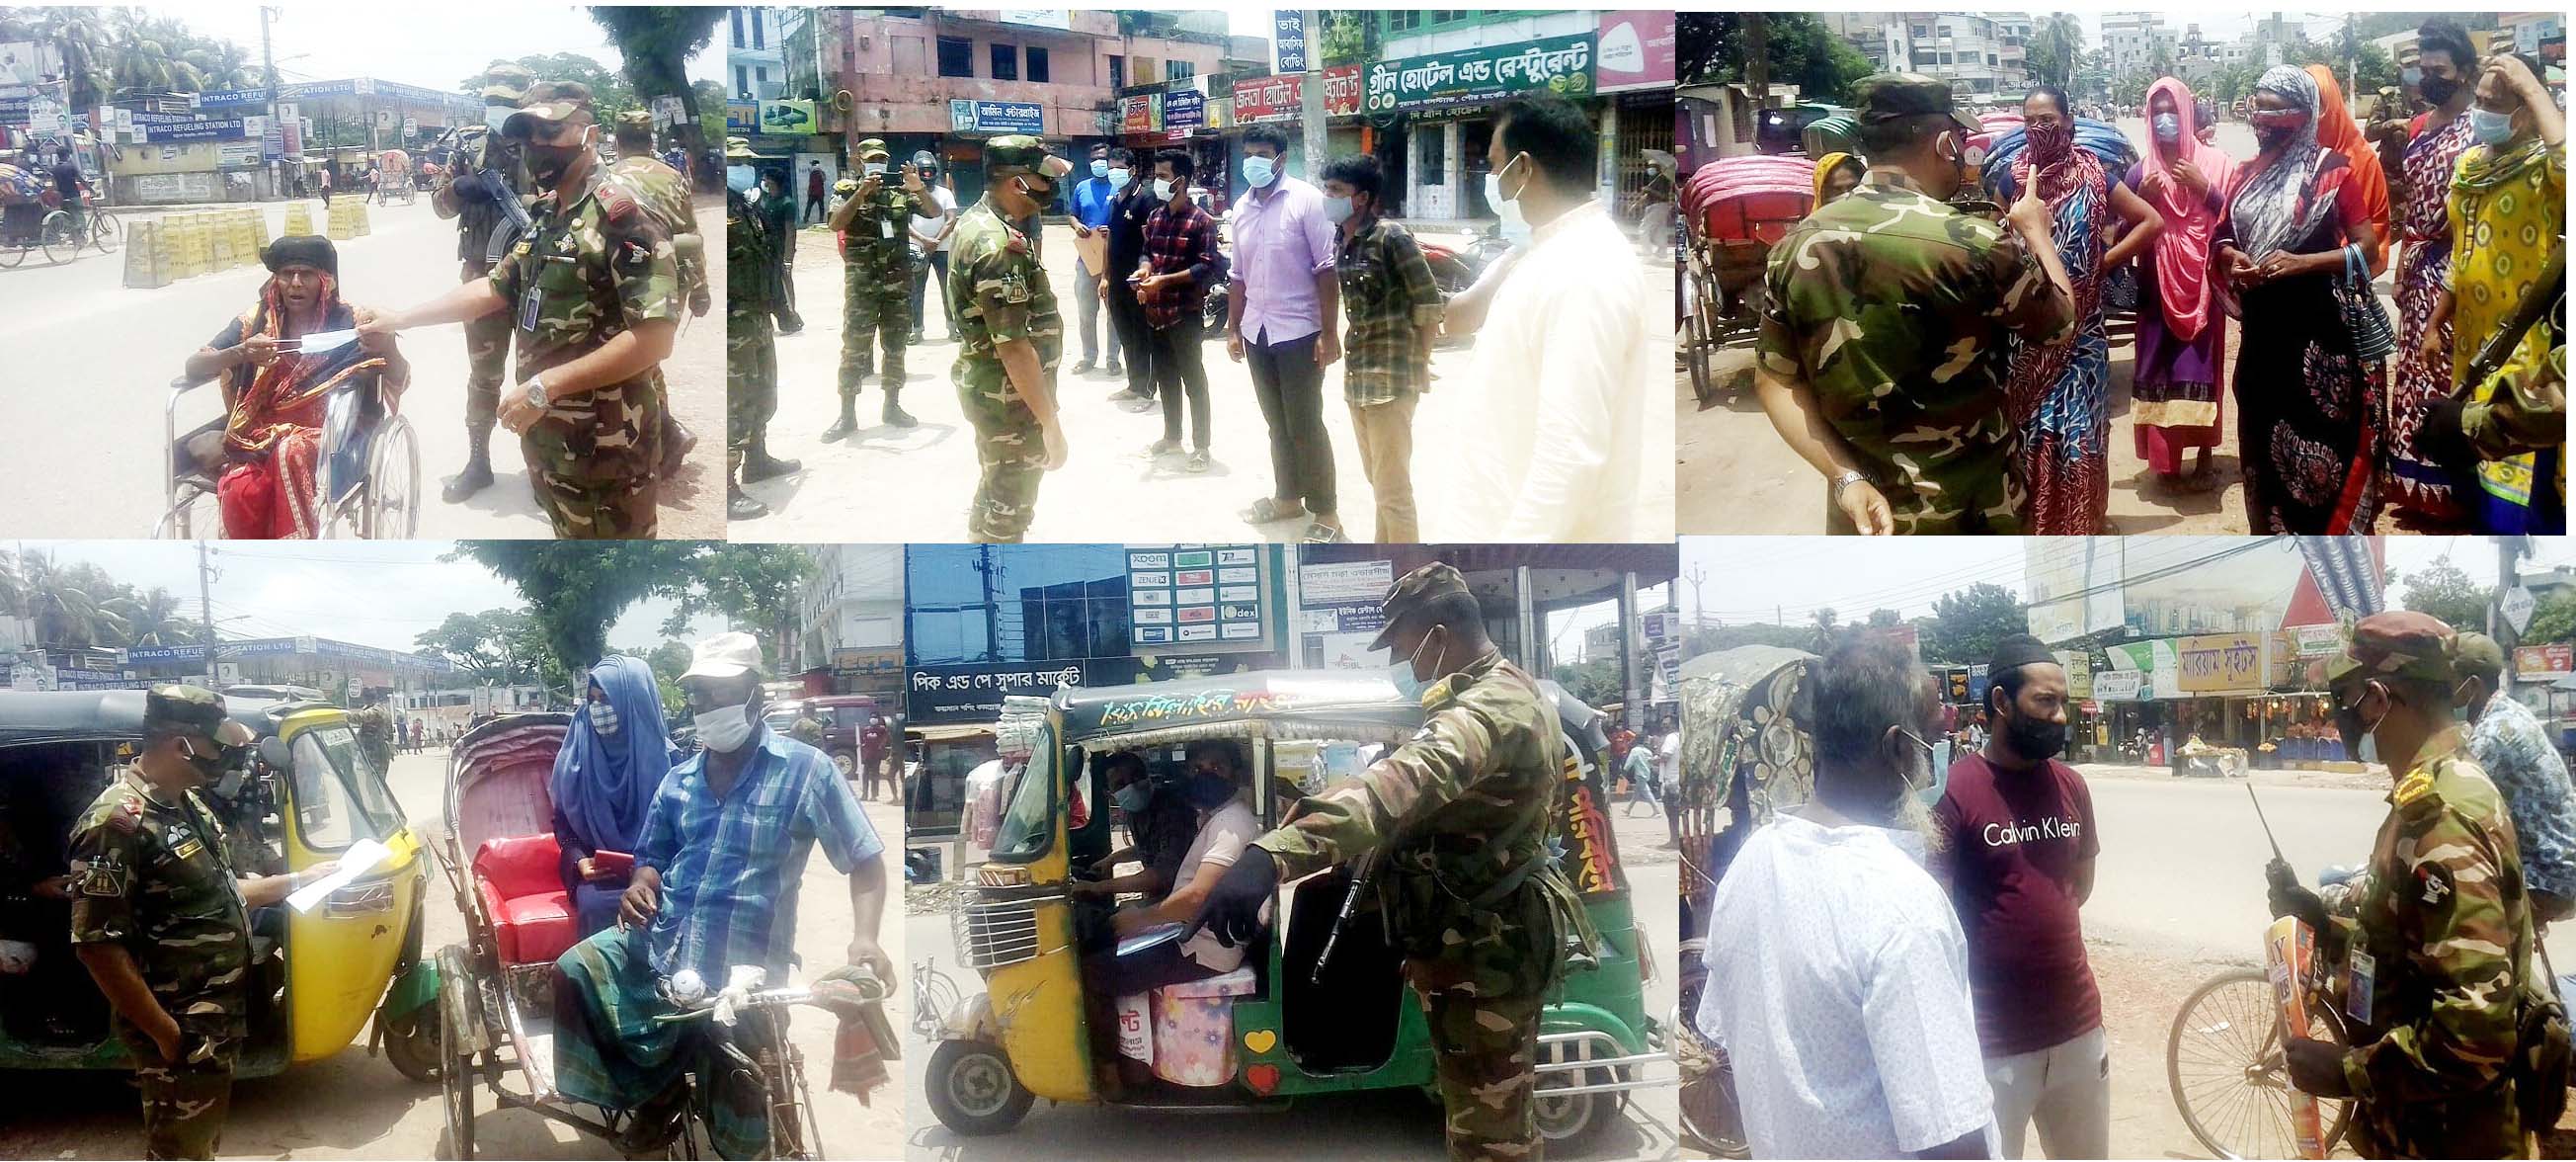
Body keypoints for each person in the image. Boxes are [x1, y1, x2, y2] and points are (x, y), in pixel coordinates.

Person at [1193, 563, 1592, 1161]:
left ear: (1438, 631)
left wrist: (1271, 856)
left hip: (1487, 953)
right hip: (1472, 941)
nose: (1404, 661)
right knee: (1487, 1115)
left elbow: (1400, 785)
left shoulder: (1489, 708)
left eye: (1403, 644)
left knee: (1491, 1135)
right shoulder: (1498, 691)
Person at [557, 631, 890, 1158]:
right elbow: (652, 856)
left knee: (752, 1100)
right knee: (574, 971)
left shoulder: (807, 770)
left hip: (746, 969)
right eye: (698, 695)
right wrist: (641, 884)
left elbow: (865, 860)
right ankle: (653, 1091)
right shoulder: (679, 779)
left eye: (720, 691)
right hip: (663, 945)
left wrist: (865, 940)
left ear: (755, 694)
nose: (706, 706)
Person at [1695, 634, 1998, 1157]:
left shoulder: (1751, 862)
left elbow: (1727, 1036)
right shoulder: (1901, 906)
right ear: (1898, 748)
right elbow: (1952, 1137)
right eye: (1934, 742)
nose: (1939, 764)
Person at [1755, 73, 2077, 536]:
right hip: (1974, 512)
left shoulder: (1793, 247)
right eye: (1961, 139)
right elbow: (2060, 324)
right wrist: (2037, 234)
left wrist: (1844, 477)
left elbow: (1774, 383)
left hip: (1865, 519)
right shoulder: (1976, 243)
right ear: (1945, 142)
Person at [361, 80, 677, 539]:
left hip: (608, 453)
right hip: (552, 446)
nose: (537, 147)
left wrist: (544, 387)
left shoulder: (622, 218)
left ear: (589, 135)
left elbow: (655, 338)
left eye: (552, 133)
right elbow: (493, 288)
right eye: (528, 135)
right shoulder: (552, 216)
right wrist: (401, 318)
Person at [2271, 612, 2533, 1157]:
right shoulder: (2427, 794)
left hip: (2448, 1138)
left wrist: (2348, 1072)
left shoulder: (2442, 817)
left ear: (2377, 698)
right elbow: (2407, 951)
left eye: (2344, 698)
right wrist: (2324, 922)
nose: (2342, 716)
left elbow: (2476, 1032)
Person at [68, 686, 338, 1160]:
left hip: (212, 1021)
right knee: (179, 1150)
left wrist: (299, 879)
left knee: (198, 1143)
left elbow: (221, 893)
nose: (225, 758)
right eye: (218, 747)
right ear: (180, 745)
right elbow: (96, 945)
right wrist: (166, 1034)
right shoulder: (117, 822)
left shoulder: (186, 805)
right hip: (179, 1026)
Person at [1440, 92, 1665, 542]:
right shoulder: (1550, 251)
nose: (1490, 178)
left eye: (1494, 163)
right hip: (1492, 518)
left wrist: (1508, 556)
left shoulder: (1585, 270)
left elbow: (1569, 454)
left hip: (1522, 536)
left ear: (1523, 168)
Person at [1935, 635, 2106, 1158]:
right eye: (2044, 702)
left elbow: (2080, 885)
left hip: (2078, 1029)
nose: (2059, 717)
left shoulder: (2071, 786)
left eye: (2064, 704)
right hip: (1990, 1043)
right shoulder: (1954, 791)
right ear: (2002, 703)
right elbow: (1936, 914)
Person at [2221, 65, 2386, 535]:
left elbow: (2366, 247)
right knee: (2261, 435)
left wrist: (2301, 263)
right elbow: (2222, 238)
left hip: (2318, 337)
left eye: (2276, 110)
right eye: (2258, 108)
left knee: (2321, 439)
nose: (2263, 119)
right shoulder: (2244, 175)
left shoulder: (2332, 170)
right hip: (2261, 336)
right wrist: (2233, 258)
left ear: (2306, 113)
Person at [1991, 85, 2162, 535]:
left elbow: (2151, 221)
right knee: (2035, 431)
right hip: (2031, 330)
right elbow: (1995, 246)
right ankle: (2041, 522)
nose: (2039, 128)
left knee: (2080, 431)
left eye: (2048, 119)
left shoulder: (2096, 174)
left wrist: (2104, 263)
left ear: (2069, 121)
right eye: (2030, 121)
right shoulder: (2011, 181)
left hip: (2083, 331)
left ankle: (2085, 520)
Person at [2422, 52, 2565, 535]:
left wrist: (2530, 84)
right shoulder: (2469, 166)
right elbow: (2462, 256)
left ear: (2525, 110)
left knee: (2517, 469)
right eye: (2478, 99)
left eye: (2495, 102)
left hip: (2528, 349)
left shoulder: (2548, 171)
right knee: (2472, 458)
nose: (2480, 110)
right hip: (2473, 347)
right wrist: (2435, 320)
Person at [182, 236, 408, 540]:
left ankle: (299, 543)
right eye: (287, 274)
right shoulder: (256, 321)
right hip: (259, 433)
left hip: (332, 433)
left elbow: (401, 375)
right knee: (241, 487)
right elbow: (193, 365)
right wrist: (241, 353)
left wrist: (389, 346)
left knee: (291, 450)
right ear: (276, 280)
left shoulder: (353, 320)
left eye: (307, 275)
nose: (296, 283)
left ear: (324, 280)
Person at [948, 135, 1072, 542]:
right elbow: (1014, 346)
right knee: (1011, 513)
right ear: (1017, 183)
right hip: (1010, 403)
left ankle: (977, 553)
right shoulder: (999, 246)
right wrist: (1050, 424)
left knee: (996, 488)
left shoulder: (976, 222)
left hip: (992, 390)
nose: (1050, 188)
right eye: (1042, 179)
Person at [1225, 123, 1345, 541]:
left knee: (1305, 423)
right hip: (1257, 331)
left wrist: (1329, 334)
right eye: (1248, 154)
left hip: (1299, 332)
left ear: (1280, 158)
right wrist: (1233, 328)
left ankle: (1326, 512)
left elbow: (1326, 271)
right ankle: (1287, 499)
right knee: (1276, 423)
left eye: (1262, 154)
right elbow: (1237, 275)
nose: (1253, 162)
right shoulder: (1241, 207)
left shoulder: (1307, 202)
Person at [2387, 22, 2486, 527]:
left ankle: (2454, 491)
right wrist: (2402, 271)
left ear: (2466, 72)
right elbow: (2410, 211)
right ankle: (2414, 483)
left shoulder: (2481, 128)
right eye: (2422, 70)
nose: (2428, 78)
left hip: (2461, 270)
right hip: (2419, 268)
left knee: (2451, 375)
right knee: (2412, 374)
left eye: (2438, 70)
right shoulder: (2419, 127)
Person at [428, 61, 537, 504]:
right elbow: (440, 208)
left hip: (538, 275)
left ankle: (542, 467)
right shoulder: (468, 146)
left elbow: (570, 199)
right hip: (482, 276)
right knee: (483, 375)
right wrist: (457, 187)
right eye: (491, 101)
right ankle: (478, 461)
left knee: (538, 376)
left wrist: (528, 202)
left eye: (507, 102)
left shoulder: (541, 140)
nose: (498, 109)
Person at [1323, 152, 1442, 542]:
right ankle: (1384, 558)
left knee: (1393, 492)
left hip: (1392, 381)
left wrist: (1420, 363)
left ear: (1361, 197)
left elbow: (1428, 304)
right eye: (1327, 189)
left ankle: (1408, 574)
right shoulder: (1342, 239)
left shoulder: (1392, 237)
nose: (1328, 197)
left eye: (1336, 190)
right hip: (1358, 380)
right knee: (1380, 484)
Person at [2129, 77, 2234, 486]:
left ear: (2187, 113)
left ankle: (2206, 457)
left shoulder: (2217, 164)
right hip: (2156, 282)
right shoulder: (2142, 171)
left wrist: (2205, 189)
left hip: (2203, 281)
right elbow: (2121, 231)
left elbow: (2234, 219)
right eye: (2157, 112)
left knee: (2202, 369)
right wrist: (2144, 197)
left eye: (2172, 110)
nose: (2165, 119)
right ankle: (2166, 463)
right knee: (2158, 371)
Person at [602, 111, 705, 483]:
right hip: (672, 277)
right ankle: (661, 434)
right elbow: (693, 235)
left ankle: (663, 435)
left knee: (632, 360)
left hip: (627, 278)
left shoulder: (605, 178)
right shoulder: (674, 176)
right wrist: (702, 289)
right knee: (647, 357)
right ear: (651, 140)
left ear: (617, 140)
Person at [2454, 633, 2576, 924]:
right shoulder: (2507, 711)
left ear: (2471, 686)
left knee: (2435, 899)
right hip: (2555, 867)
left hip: (2546, 878)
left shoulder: (2496, 733)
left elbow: (2448, 799)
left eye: (2447, 683)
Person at [549, 657, 673, 939]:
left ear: (635, 702)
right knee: (595, 905)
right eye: (592, 701)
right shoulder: (577, 760)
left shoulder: (676, 764)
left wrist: (650, 873)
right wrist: (579, 860)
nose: (597, 710)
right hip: (602, 877)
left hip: (660, 875)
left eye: (606, 699)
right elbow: (564, 825)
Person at [830, 137, 928, 435]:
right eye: (872, 159)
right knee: (854, 349)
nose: (878, 164)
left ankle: (892, 406)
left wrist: (918, 186)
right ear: (859, 162)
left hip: (897, 285)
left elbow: (934, 211)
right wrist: (861, 193)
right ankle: (847, 415)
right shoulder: (845, 191)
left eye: (883, 159)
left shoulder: (900, 192)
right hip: (862, 286)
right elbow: (835, 223)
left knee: (895, 347)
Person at [1135, 148, 1222, 473]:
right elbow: (1147, 253)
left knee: (1193, 380)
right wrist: (1145, 271)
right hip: (1155, 311)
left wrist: (1164, 281)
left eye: (1162, 176)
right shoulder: (1156, 217)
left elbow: (1207, 268)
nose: (1156, 182)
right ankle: (1172, 436)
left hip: (1184, 313)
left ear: (1180, 180)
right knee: (1166, 376)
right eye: (1155, 175)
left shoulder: (1202, 222)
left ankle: (1201, 447)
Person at [724, 138, 798, 521]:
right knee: (736, 401)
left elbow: (767, 263)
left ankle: (757, 460)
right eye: (737, 162)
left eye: (748, 162)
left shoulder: (747, 208)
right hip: (732, 322)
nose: (746, 168)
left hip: (757, 316)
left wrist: (782, 308)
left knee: (762, 391)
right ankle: (726, 487)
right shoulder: (721, 211)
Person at [1073, 752, 1196, 904]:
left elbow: (1161, 875)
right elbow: (1148, 848)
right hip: (1165, 895)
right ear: (1109, 794)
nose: (1132, 786)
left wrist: (1098, 887)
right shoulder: (1136, 813)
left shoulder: (1173, 810)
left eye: (1137, 776)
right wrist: (1112, 859)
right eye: (1120, 784)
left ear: (1148, 775)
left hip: (1185, 897)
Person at [1099, 147, 1159, 410]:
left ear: (1132, 170)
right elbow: (1109, 240)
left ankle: (1147, 391)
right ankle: (1134, 385)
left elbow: (1152, 242)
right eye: (1110, 166)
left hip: (1138, 282)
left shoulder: (1145, 199)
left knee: (1142, 336)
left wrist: (1149, 278)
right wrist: (1104, 277)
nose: (1114, 172)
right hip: (1117, 282)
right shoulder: (1115, 200)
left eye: (1119, 167)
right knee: (1126, 335)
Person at [1069, 142, 1124, 377]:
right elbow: (1072, 214)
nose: (1098, 163)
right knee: (1086, 313)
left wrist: (1113, 229)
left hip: (1113, 260)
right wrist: (1077, 225)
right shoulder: (1082, 187)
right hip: (1087, 260)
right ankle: (1089, 356)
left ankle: (1113, 358)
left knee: (1114, 313)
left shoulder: (1119, 187)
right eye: (1094, 159)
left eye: (1102, 158)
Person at [905, 151, 957, 346]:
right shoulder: (907, 193)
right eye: (923, 172)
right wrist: (924, 240)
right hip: (917, 249)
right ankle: (916, 330)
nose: (927, 175)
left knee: (949, 289)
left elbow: (951, 219)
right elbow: (903, 222)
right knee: (916, 291)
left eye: (930, 171)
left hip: (943, 248)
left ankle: (953, 327)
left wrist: (935, 241)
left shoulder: (945, 193)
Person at [756, 171, 802, 334]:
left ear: (772, 181)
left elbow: (791, 231)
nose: (763, 181)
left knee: (785, 282)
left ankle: (792, 314)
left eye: (766, 178)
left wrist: (788, 258)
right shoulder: (765, 200)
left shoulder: (787, 203)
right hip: (767, 250)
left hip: (781, 250)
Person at [1622, 736, 1660, 818]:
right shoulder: (1648, 751)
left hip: (1639, 774)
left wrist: (1624, 771)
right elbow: (1650, 763)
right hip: (1646, 773)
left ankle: (1657, 811)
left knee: (1647, 792)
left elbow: (1629, 762)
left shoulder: (1635, 750)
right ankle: (1628, 810)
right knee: (1636, 794)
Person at [859, 716, 890, 802]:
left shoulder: (882, 730)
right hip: (867, 756)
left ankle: (874, 795)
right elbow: (862, 741)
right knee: (865, 776)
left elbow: (885, 739)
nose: (873, 719)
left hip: (876, 756)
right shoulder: (866, 729)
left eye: (875, 718)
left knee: (874, 776)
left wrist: (880, 747)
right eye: (872, 717)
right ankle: (864, 794)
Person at [804, 158, 828, 226]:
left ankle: (806, 219)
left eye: (812, 164)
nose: (811, 165)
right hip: (819, 192)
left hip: (813, 193)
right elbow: (824, 179)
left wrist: (809, 191)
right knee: (820, 207)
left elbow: (812, 183)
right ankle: (820, 219)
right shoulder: (819, 172)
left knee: (809, 206)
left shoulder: (813, 172)